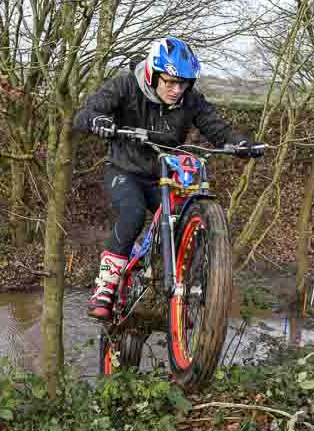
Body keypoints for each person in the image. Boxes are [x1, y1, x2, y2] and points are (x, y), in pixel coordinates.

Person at [73, 36, 265, 320]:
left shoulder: (190, 98)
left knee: (180, 221)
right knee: (133, 213)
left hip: (163, 175)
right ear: (152, 74)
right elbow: (88, 112)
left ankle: (180, 295)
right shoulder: (126, 85)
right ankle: (105, 287)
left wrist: (240, 144)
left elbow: (217, 128)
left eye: (183, 84)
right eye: (170, 82)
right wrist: (98, 120)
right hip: (125, 169)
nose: (177, 90)